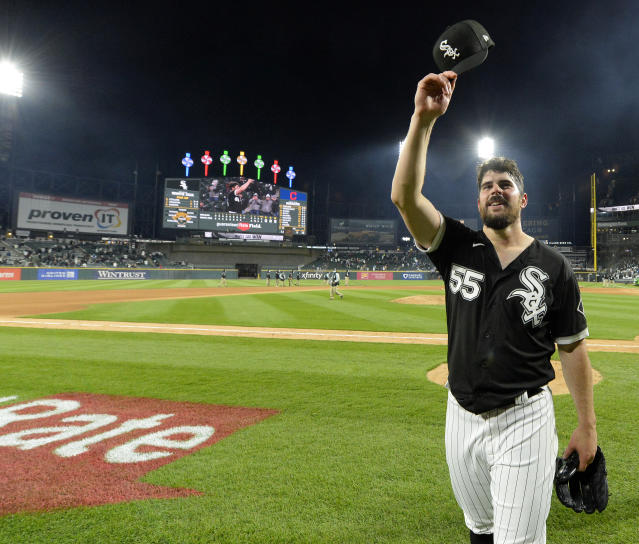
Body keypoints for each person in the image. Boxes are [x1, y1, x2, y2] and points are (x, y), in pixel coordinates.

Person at [391, 71, 598, 544]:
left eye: (505, 184)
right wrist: (423, 120)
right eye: (487, 185)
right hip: (459, 413)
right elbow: (404, 197)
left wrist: (587, 426)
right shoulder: (455, 246)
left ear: (522, 199)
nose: (495, 189)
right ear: (478, 199)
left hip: (524, 418)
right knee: (480, 530)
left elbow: (573, 350)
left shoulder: (553, 268)